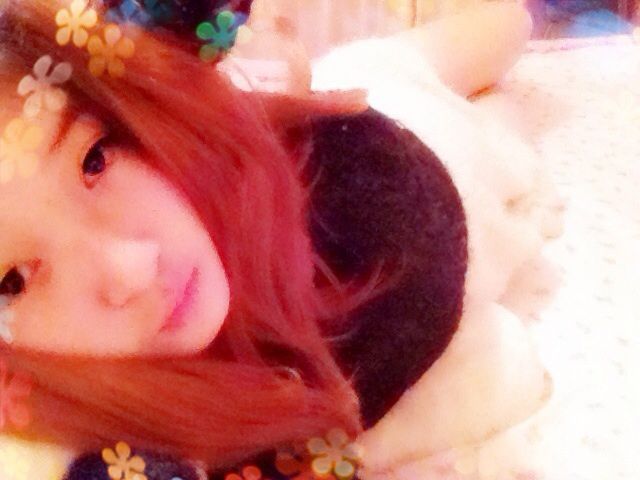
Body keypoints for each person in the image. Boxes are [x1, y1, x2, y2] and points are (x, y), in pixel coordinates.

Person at [0, 1, 551, 479]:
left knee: (507, 27)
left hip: (384, 104)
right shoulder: (50, 427)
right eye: (12, 281)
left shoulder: (370, 208)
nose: (133, 266)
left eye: (94, 160)